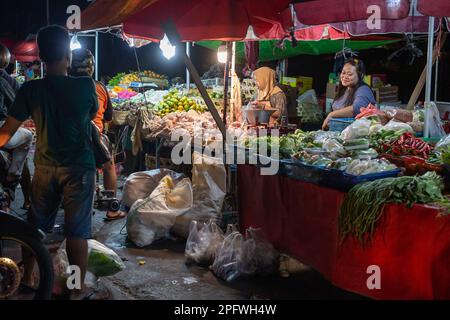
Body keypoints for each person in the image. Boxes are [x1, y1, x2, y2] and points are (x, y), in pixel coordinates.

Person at [0, 26, 100, 299]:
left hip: (44, 167)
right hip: (79, 167)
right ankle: (76, 288)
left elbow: (7, 131)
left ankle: (28, 278)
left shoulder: (30, 89)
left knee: (33, 229)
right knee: (77, 233)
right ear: (67, 53)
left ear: (41, 56)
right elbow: (92, 113)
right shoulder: (85, 85)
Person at [69, 48, 124, 220]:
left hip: (67, 138)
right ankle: (112, 208)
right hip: (93, 137)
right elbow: (108, 117)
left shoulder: (63, 86)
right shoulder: (99, 87)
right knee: (109, 165)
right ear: (91, 67)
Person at [0, 42, 33, 201]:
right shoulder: (6, 80)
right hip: (4, 128)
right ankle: (13, 181)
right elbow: (17, 106)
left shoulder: (8, 80)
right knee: (27, 138)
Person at [322, 58, 376, 130]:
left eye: (349, 74)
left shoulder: (364, 90)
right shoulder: (345, 89)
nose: (345, 77)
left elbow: (358, 108)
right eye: (343, 73)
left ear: (361, 75)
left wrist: (331, 115)